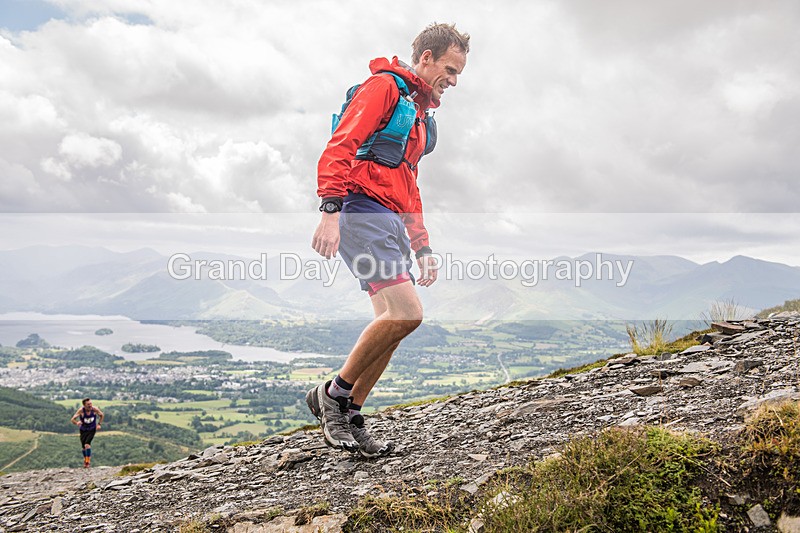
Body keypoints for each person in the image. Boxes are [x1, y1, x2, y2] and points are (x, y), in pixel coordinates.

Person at [307, 23, 469, 457]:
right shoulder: (383, 89)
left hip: (390, 220)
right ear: (426, 58)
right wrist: (330, 211)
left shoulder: (418, 114)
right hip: (361, 211)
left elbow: (409, 186)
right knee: (407, 313)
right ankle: (333, 395)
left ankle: (352, 412)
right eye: (449, 69)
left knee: (390, 327)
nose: (452, 81)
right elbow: (341, 145)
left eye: (458, 74)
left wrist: (423, 246)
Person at [71, 398, 103, 468]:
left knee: (87, 445)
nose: (90, 405)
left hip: (92, 429)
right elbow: (72, 419)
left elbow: (101, 415)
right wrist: (77, 423)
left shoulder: (94, 409)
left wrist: (99, 424)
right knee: (83, 447)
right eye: (88, 404)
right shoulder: (81, 411)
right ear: (84, 405)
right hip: (83, 430)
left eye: (91, 403)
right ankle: (85, 459)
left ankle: (87, 462)